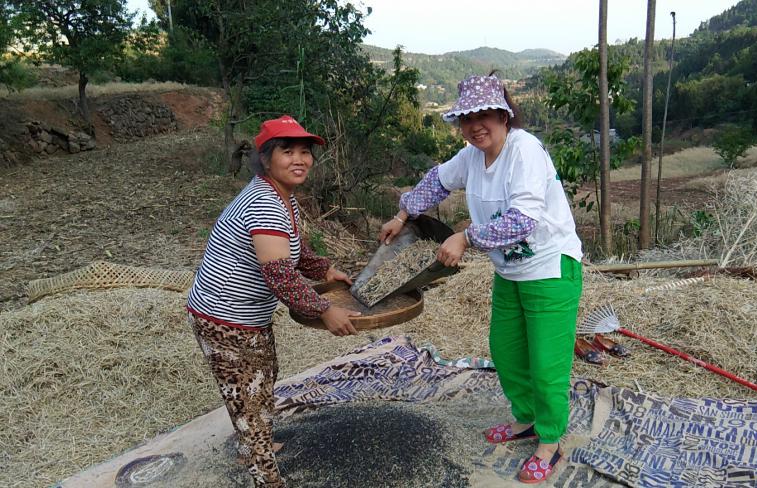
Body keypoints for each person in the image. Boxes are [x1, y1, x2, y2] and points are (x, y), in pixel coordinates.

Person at [379, 74, 583, 484]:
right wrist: (402, 215)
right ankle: (525, 419)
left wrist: (465, 237)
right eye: (467, 118)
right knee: (506, 352)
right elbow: (437, 180)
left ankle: (550, 440)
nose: (476, 126)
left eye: (485, 115)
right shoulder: (472, 156)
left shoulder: (525, 151)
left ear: (505, 115)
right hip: (510, 271)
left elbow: (525, 218)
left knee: (547, 363)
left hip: (549, 266)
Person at [187, 115, 360, 487]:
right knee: (249, 394)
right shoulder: (264, 203)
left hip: (246, 315)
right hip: (224, 318)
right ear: (266, 158)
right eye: (287, 151)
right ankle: (265, 475)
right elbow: (280, 276)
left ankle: (255, 442)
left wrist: (325, 269)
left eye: (305, 152)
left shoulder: (283, 197)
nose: (299, 159)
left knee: (262, 380)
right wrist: (325, 309)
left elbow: (293, 252)